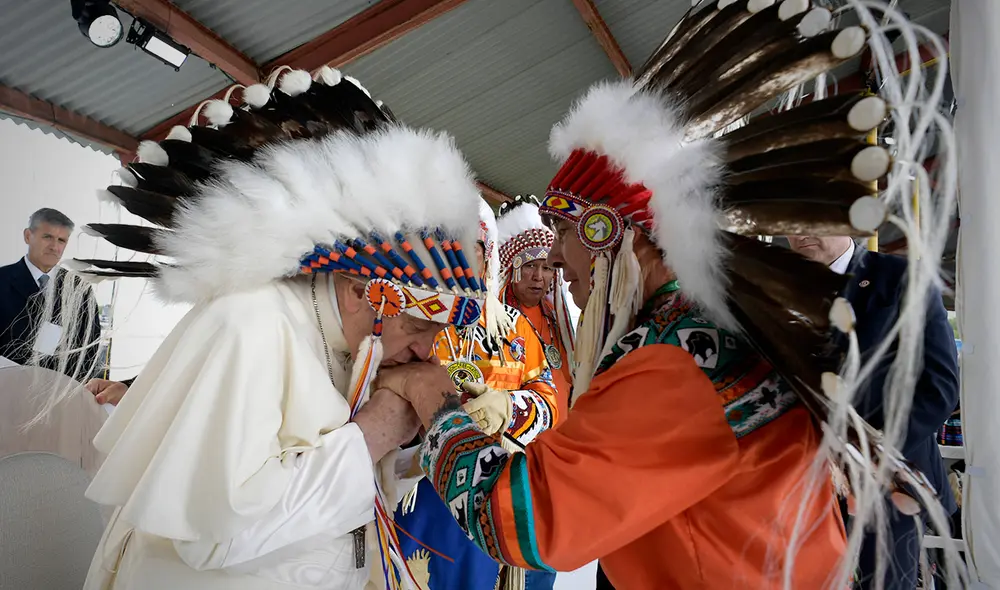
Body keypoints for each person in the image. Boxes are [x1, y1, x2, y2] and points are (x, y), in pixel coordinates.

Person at [371, 2, 955, 588]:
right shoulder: (699, 328)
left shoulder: (680, 357)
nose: (553, 257)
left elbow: (529, 521)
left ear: (615, 237)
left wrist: (438, 402)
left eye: (568, 233)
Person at [30, 66, 490, 590]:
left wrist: (411, 426)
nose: (430, 348)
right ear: (362, 290)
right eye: (417, 325)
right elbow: (214, 534)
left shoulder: (355, 339)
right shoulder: (249, 324)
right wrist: (375, 430)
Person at [394, 198, 558, 590]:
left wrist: (509, 407)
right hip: (422, 485)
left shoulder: (515, 329)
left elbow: (548, 399)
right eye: (453, 252)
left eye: (475, 253)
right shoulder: (411, 320)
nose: (464, 266)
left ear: (490, 262)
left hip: (499, 483)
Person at [788, 235, 960, 589]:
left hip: (887, 484)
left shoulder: (901, 278)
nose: (799, 231)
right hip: (801, 484)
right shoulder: (778, 286)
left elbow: (939, 387)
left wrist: (861, 455)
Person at [495, 196, 575, 418]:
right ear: (512, 270)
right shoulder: (497, 321)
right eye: (530, 266)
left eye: (547, 268)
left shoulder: (559, 319)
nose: (539, 277)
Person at [0, 207, 102, 378]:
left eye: (61, 240)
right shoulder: (2, 281)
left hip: (59, 393)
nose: (54, 247)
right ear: (27, 236)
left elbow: (89, 349)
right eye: (47, 237)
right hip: (8, 390)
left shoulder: (80, 289)